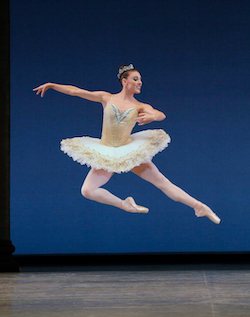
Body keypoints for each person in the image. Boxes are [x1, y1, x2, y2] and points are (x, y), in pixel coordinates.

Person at [33, 64, 221, 224]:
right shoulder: (106, 97)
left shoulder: (139, 106)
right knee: (88, 190)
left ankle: (199, 206)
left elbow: (159, 113)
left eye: (140, 80)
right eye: (136, 79)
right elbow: (76, 91)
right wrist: (52, 85)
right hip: (106, 151)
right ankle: (125, 204)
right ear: (125, 81)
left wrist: (152, 117)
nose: (140, 83)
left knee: (163, 182)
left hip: (129, 151)